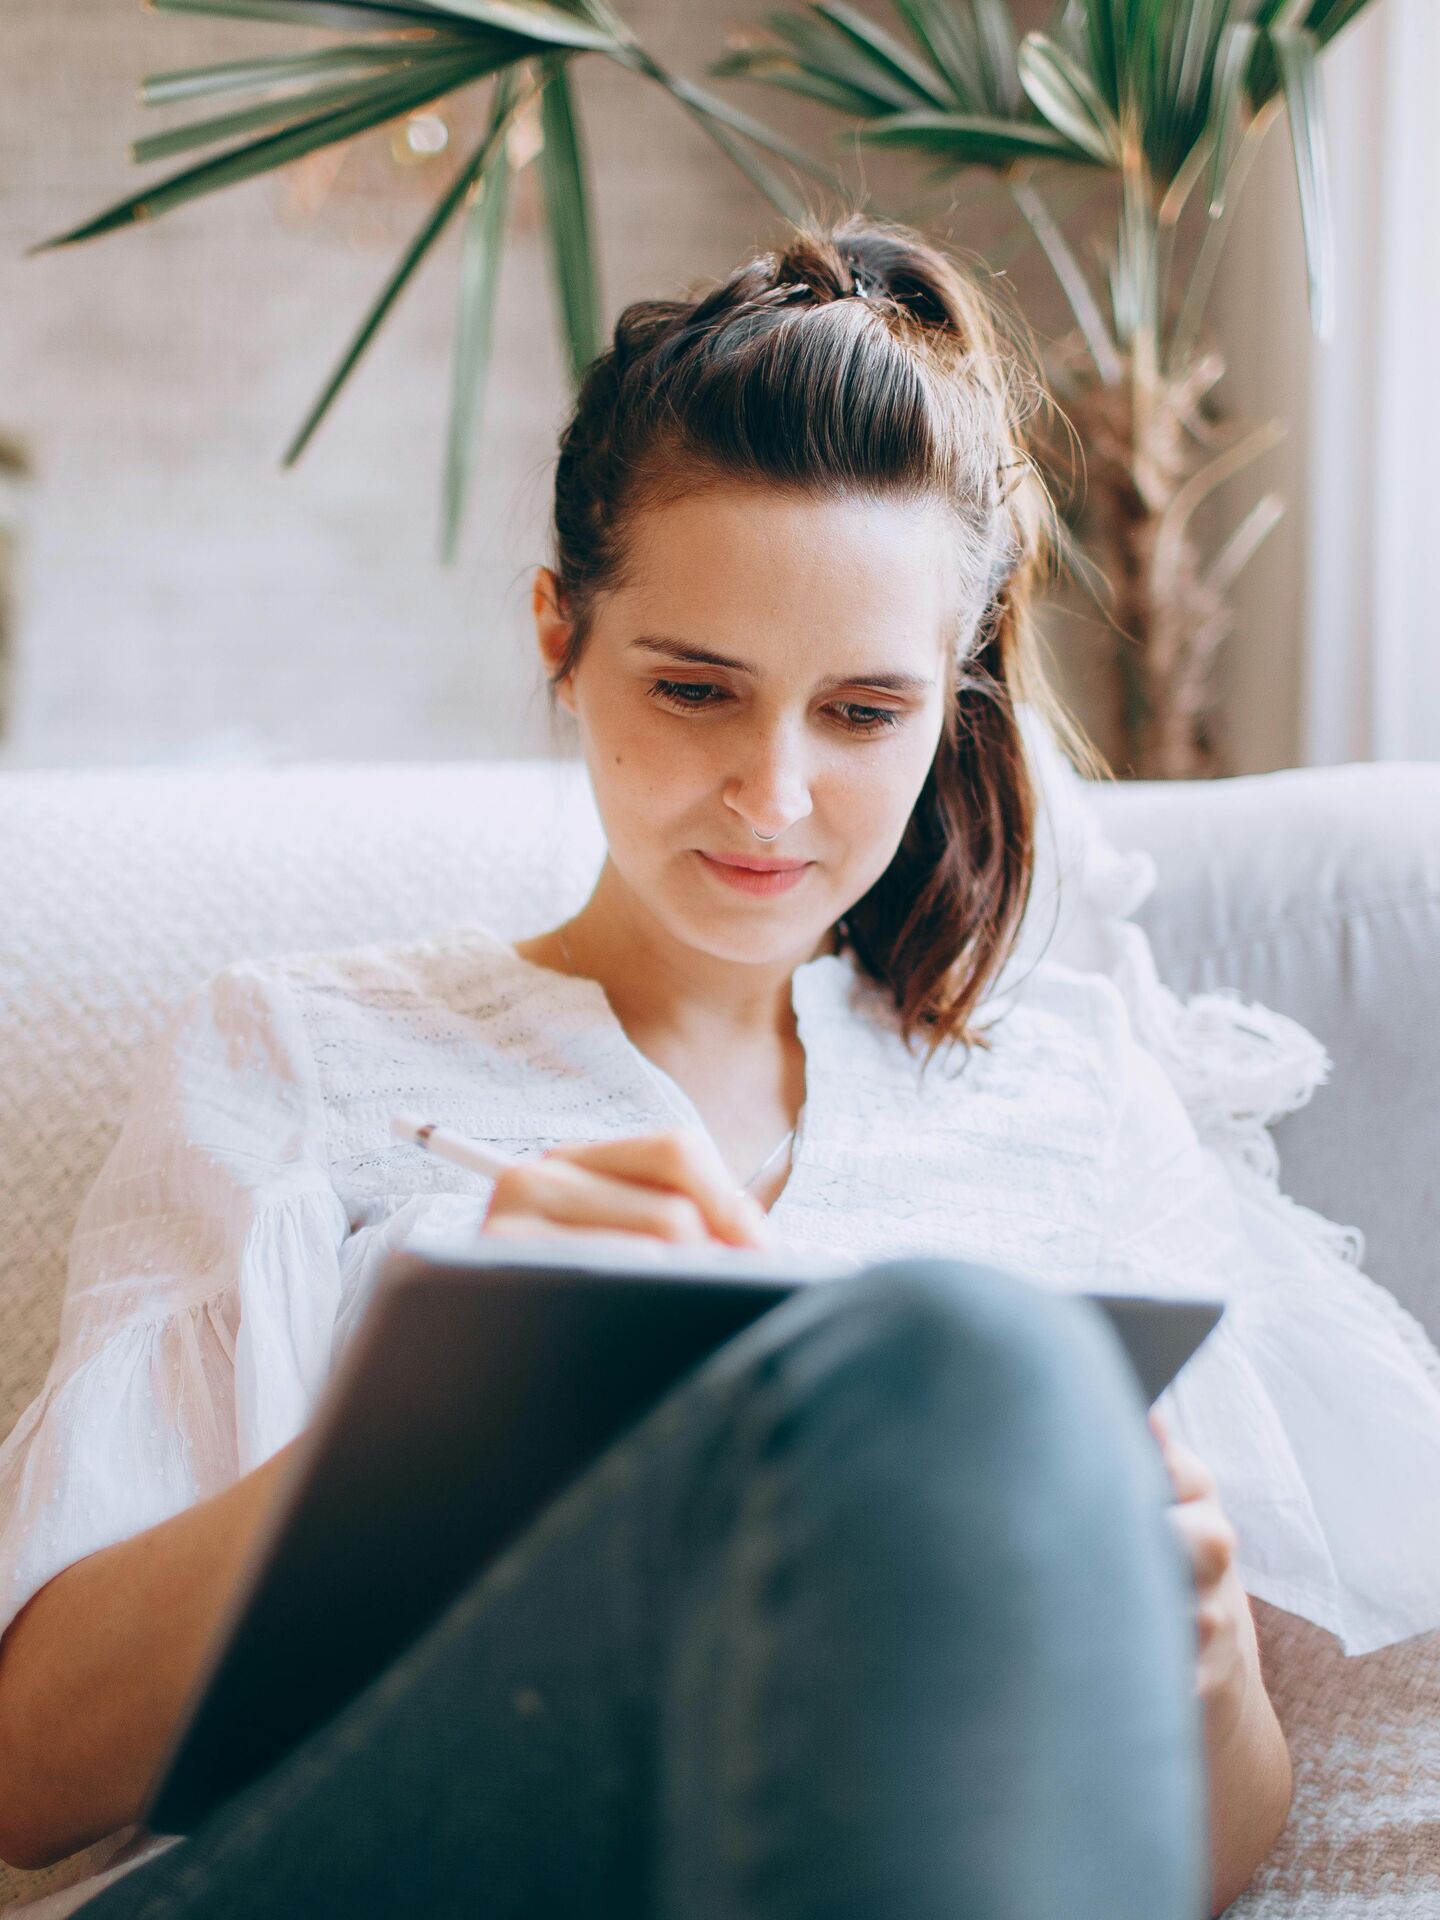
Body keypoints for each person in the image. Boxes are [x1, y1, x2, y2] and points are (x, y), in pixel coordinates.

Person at [2, 212, 1438, 1920]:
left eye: (860, 713)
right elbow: (30, 1779)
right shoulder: (307, 1051)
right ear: (561, 634)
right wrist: (437, 1421)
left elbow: (1188, 1869)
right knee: (952, 1345)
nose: (773, 796)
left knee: (963, 1364)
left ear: (953, 697)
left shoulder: (1072, 1102)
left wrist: (1200, 1670)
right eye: (695, 692)